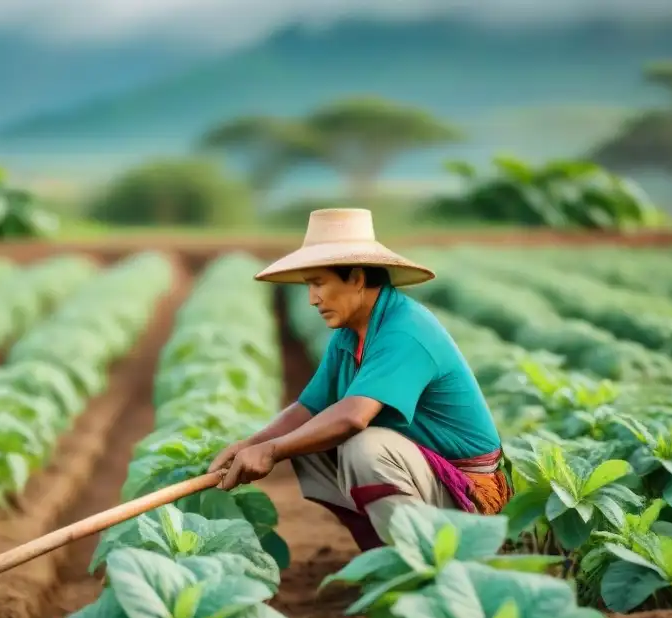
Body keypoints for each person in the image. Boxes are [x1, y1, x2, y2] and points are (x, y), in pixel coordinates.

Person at [209, 208, 512, 551]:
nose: (312, 299)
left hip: (468, 492)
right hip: (427, 473)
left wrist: (273, 450)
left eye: (319, 283)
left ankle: (421, 559)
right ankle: (382, 553)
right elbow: (309, 408)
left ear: (355, 278)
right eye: (309, 286)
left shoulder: (405, 330)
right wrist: (252, 444)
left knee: (361, 447)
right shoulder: (351, 332)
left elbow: (354, 416)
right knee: (307, 442)